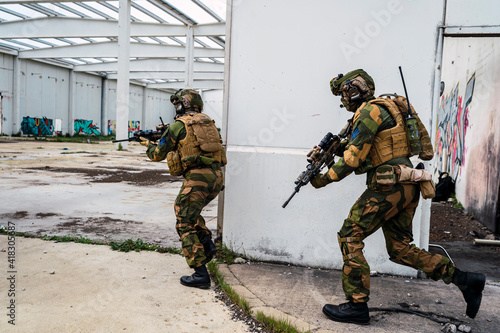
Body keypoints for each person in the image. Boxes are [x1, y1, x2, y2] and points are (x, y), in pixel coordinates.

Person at [309, 69, 486, 325]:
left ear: (352, 91)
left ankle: (357, 305)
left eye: (343, 94)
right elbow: (370, 151)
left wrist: (322, 179)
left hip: (389, 186)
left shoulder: (369, 112)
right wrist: (335, 151)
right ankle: (465, 280)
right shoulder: (385, 108)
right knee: (400, 249)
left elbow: (353, 159)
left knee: (350, 234)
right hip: (406, 185)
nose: (342, 101)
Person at [140, 89, 226, 289]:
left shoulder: (178, 126)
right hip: (216, 178)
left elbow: (157, 155)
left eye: (177, 104)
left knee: (183, 222)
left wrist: (147, 144)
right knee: (190, 213)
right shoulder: (209, 123)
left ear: (183, 105)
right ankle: (207, 244)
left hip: (196, 179)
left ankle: (200, 273)